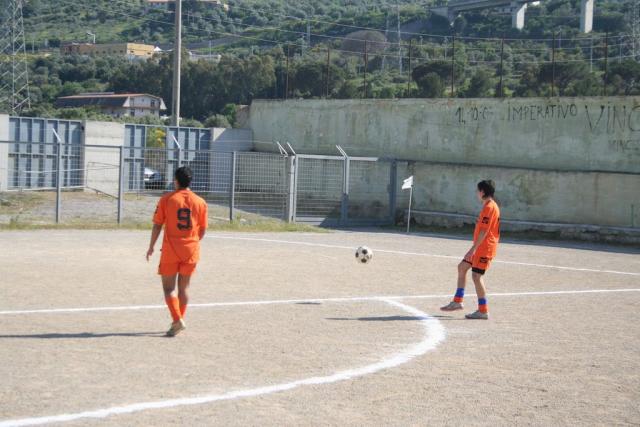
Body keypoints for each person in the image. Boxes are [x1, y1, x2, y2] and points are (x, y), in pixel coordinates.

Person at [146, 167, 208, 336]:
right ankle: (177, 322)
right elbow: (202, 230)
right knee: (184, 289)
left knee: (168, 288)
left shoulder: (167, 199)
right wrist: (192, 243)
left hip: (171, 249)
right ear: (190, 181)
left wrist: (151, 246)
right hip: (191, 250)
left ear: (176, 181)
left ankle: (177, 319)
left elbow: (157, 225)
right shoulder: (200, 202)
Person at [441, 180, 500, 320]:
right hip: (480, 247)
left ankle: (483, 310)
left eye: (477, 191)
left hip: (484, 248)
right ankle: (457, 302)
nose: (476, 193)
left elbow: (484, 231)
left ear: (482, 192)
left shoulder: (489, 207)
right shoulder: (488, 206)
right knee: (462, 267)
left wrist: (472, 249)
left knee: (476, 277)